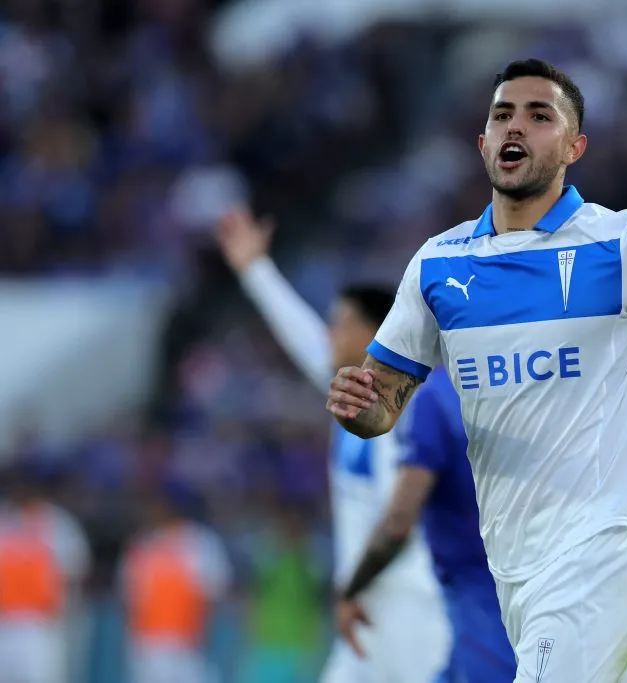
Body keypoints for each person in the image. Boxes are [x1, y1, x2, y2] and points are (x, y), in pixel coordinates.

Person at [327, 58, 627, 683]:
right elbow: (382, 403)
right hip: (514, 566)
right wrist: (359, 404)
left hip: (601, 548)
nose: (515, 126)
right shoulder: (436, 266)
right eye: (502, 115)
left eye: (539, 115)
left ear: (574, 146)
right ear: (482, 142)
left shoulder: (623, 246)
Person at [217, 209, 451, 683]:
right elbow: (303, 339)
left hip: (413, 602)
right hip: (368, 601)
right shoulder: (351, 399)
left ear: (375, 333)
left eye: (341, 323)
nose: (330, 335)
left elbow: (399, 518)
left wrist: (353, 586)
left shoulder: (414, 409)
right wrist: (255, 271)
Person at [335, 366, 518, 683]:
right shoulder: (516, 385)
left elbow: (398, 522)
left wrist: (351, 589)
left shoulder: (436, 398)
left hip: (480, 600)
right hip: (536, 583)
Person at [119, 480, 231, 683]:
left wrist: (199, 635)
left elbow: (213, 595)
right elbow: (130, 598)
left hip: (187, 645)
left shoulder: (202, 544)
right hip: (149, 645)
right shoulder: (144, 545)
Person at [0, 459, 90, 683]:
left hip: (41, 625)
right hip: (5, 622)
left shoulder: (58, 524)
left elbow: (75, 573)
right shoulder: (3, 521)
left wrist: (67, 616)